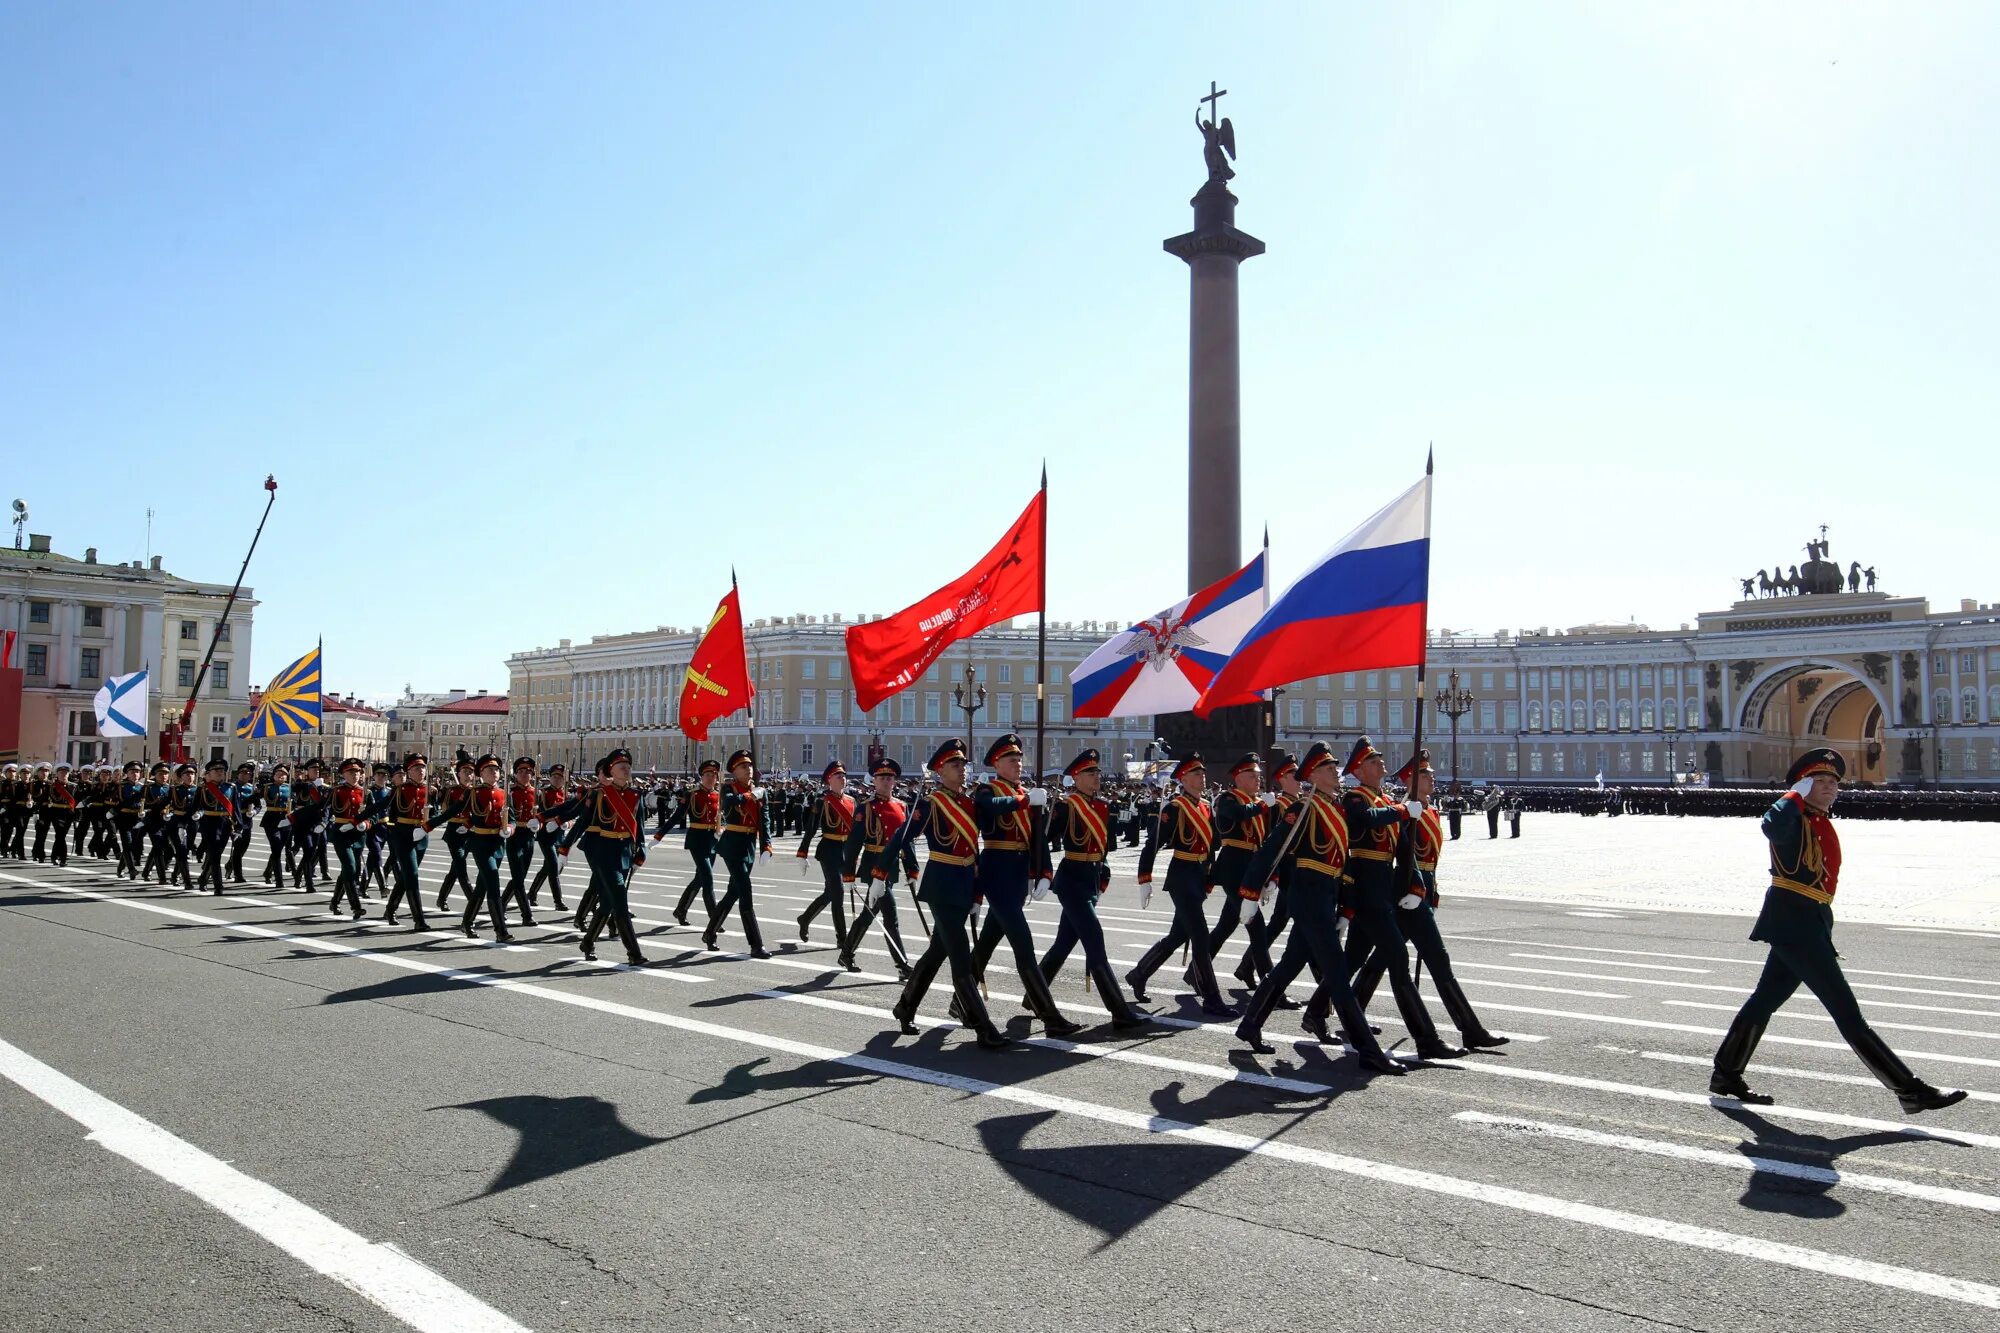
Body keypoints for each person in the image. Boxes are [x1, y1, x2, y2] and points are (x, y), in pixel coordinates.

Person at [1709, 748, 1966, 1115]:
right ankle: (1909, 1090)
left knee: (1763, 1001)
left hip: (1807, 923)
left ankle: (1726, 1075)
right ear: (1804, 785)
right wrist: (1794, 794)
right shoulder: (1792, 817)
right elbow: (1770, 825)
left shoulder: (1818, 821)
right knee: (1848, 1014)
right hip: (1797, 926)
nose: (1831, 788)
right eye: (1821, 782)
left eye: (1834, 783)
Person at [1232, 742, 1403, 1075]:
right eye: (1327, 769)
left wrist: (1345, 905)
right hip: (1309, 897)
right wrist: (1250, 892)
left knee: (1289, 965)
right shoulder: (1305, 807)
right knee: (1338, 975)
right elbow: (1272, 847)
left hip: (1325, 896)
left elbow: (1344, 859)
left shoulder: (1334, 806)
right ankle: (1368, 1049)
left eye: (1334, 768)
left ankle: (1250, 1023)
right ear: (1312, 776)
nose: (1334, 773)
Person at [1334, 750, 1507, 1050]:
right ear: (1410, 780)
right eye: (1425, 775)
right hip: (1403, 890)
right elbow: (1403, 855)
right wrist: (1414, 888)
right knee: (1436, 958)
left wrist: (1430, 888)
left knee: (1383, 957)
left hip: (1420, 886)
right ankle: (1468, 1029)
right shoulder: (1402, 809)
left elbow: (1427, 858)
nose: (1432, 778)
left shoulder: (1427, 810)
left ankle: (1353, 1012)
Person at [885, 739, 1012, 1049]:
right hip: (942, 886)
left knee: (936, 953)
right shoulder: (931, 803)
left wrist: (977, 895)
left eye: (963, 765)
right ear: (941, 770)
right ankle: (984, 1027)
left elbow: (975, 849)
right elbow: (903, 837)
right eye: (956, 765)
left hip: (964, 885)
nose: (963, 770)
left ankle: (905, 1006)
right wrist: (879, 874)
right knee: (960, 955)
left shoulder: (968, 803)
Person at [963, 733, 1077, 1037]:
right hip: (997, 871)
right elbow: (992, 808)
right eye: (1011, 759)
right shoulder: (987, 790)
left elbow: (1038, 837)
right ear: (996, 763)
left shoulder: (1028, 793)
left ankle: (961, 1002)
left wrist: (1043, 872)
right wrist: (1025, 799)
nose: (1018, 764)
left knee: (986, 942)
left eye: (1019, 759)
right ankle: (1048, 1014)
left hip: (1018, 873)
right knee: (1023, 946)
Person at [1032, 749, 1146, 1028]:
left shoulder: (1102, 806)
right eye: (1090, 773)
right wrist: (1042, 872)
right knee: (1095, 941)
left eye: (1097, 772)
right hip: (1072, 880)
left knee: (1063, 944)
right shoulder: (1066, 806)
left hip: (1091, 878)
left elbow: (1103, 847)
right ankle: (1119, 1010)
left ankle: (1033, 997)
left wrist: (1104, 873)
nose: (1096, 777)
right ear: (1076, 777)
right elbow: (1041, 840)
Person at [1127, 754, 1236, 1017]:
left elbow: (1212, 846)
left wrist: (1209, 878)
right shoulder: (1175, 808)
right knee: (1200, 935)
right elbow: (1152, 844)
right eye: (1196, 774)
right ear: (1184, 779)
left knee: (1179, 935)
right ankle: (1212, 997)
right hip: (1181, 876)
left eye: (1203, 773)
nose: (1202, 777)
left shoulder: (1207, 806)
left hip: (1198, 876)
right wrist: (1145, 879)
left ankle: (1139, 973)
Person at [565, 748, 650, 966]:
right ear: (610, 769)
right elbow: (583, 823)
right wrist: (564, 849)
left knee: (607, 905)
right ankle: (634, 953)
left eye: (628, 765)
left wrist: (641, 851)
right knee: (620, 902)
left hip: (624, 854)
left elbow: (639, 828)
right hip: (604, 853)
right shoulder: (600, 794)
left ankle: (588, 942)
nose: (626, 768)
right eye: (621, 765)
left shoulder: (635, 795)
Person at [837, 756, 919, 978]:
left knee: (869, 913)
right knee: (890, 916)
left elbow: (906, 841)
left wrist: (912, 868)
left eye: (889, 777)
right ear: (874, 781)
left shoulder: (902, 806)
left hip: (891, 866)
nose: (885, 781)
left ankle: (846, 952)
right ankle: (902, 965)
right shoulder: (867, 808)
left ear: (895, 781)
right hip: (873, 866)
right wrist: (848, 873)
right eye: (881, 777)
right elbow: (853, 843)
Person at [1202, 752, 1277, 990]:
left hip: (1250, 869)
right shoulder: (1227, 799)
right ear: (1239, 778)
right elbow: (1238, 815)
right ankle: (1269, 984)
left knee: (1226, 926)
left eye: (1258, 776)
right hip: (1234, 870)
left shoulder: (1253, 802)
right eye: (1253, 776)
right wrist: (1263, 804)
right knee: (1257, 927)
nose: (1258, 780)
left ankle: (1197, 970)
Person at [701, 750, 773, 958]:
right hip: (732, 844)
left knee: (733, 893)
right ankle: (756, 944)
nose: (748, 769)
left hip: (749, 845)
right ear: (734, 771)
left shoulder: (760, 791)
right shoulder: (728, 788)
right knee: (745, 891)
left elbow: (765, 820)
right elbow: (729, 803)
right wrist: (751, 795)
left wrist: (766, 845)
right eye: (743, 766)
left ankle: (709, 932)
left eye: (750, 766)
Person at [794, 759, 856, 949]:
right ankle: (842, 939)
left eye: (844, 775)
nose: (843, 779)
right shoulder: (822, 801)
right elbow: (811, 828)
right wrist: (802, 852)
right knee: (837, 893)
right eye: (839, 776)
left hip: (845, 852)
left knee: (830, 893)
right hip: (829, 850)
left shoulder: (852, 801)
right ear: (830, 779)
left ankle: (805, 918)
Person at [658, 758, 722, 926]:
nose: (711, 777)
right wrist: (659, 835)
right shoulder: (692, 794)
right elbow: (676, 817)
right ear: (702, 776)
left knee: (700, 879)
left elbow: (724, 818)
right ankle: (714, 920)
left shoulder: (718, 795)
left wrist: (722, 830)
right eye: (708, 774)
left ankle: (681, 909)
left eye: (714, 775)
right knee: (707, 878)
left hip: (713, 841)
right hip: (697, 840)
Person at [458, 754, 515, 941]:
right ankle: (501, 931)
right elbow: (463, 813)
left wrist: (509, 829)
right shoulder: (473, 792)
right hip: (480, 843)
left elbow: (512, 818)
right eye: (490, 770)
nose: (495, 772)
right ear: (481, 773)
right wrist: (469, 826)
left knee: (483, 885)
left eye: (497, 769)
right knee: (493, 882)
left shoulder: (504, 793)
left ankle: (467, 922)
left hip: (498, 844)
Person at [380, 753, 434, 931]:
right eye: (417, 768)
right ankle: (419, 920)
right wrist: (359, 819)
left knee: (406, 877)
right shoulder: (400, 790)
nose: (421, 771)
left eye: (423, 768)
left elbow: (434, 815)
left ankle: (390, 909)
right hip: (403, 836)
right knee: (412, 877)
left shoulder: (430, 790)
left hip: (421, 836)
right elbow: (385, 808)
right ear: (409, 771)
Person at [499, 757, 543, 927]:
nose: (525, 774)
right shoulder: (509, 792)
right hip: (514, 836)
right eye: (521, 772)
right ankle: (526, 914)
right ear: (515, 774)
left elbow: (543, 814)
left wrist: (539, 823)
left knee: (520, 876)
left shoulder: (537, 792)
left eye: (528, 772)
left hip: (529, 836)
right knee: (518, 877)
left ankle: (501, 905)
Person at [530, 763, 579, 914]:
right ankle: (558, 901)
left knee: (550, 867)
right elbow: (537, 813)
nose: (557, 779)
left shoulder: (568, 795)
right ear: (550, 777)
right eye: (555, 776)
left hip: (560, 835)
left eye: (560, 777)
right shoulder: (542, 794)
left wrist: (568, 823)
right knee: (553, 865)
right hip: (545, 835)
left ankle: (531, 893)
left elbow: (574, 814)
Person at [326, 757, 372, 918]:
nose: (355, 775)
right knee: (351, 867)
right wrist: (323, 823)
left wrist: (365, 824)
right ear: (344, 774)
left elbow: (374, 814)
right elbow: (325, 809)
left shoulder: (366, 792)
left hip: (358, 835)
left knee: (349, 869)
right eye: (351, 772)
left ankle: (334, 902)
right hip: (341, 832)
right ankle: (356, 906)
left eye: (358, 772)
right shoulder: (337, 791)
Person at [192, 759, 236, 894]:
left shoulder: (231, 788)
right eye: (216, 771)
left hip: (225, 823)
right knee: (215, 855)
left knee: (216, 854)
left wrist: (238, 827)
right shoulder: (203, 788)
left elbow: (236, 809)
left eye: (222, 771)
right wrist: (193, 817)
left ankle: (203, 878)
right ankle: (218, 886)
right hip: (209, 823)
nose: (219, 773)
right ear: (209, 773)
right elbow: (195, 806)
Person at [258, 763, 294, 887]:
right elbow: (254, 798)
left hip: (285, 819)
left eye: (283, 774)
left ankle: (268, 872)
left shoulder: (289, 788)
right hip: (271, 820)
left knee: (278, 849)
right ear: (273, 776)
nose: (281, 776)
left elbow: (295, 803)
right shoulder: (267, 787)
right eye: (278, 774)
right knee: (276, 846)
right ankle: (279, 880)